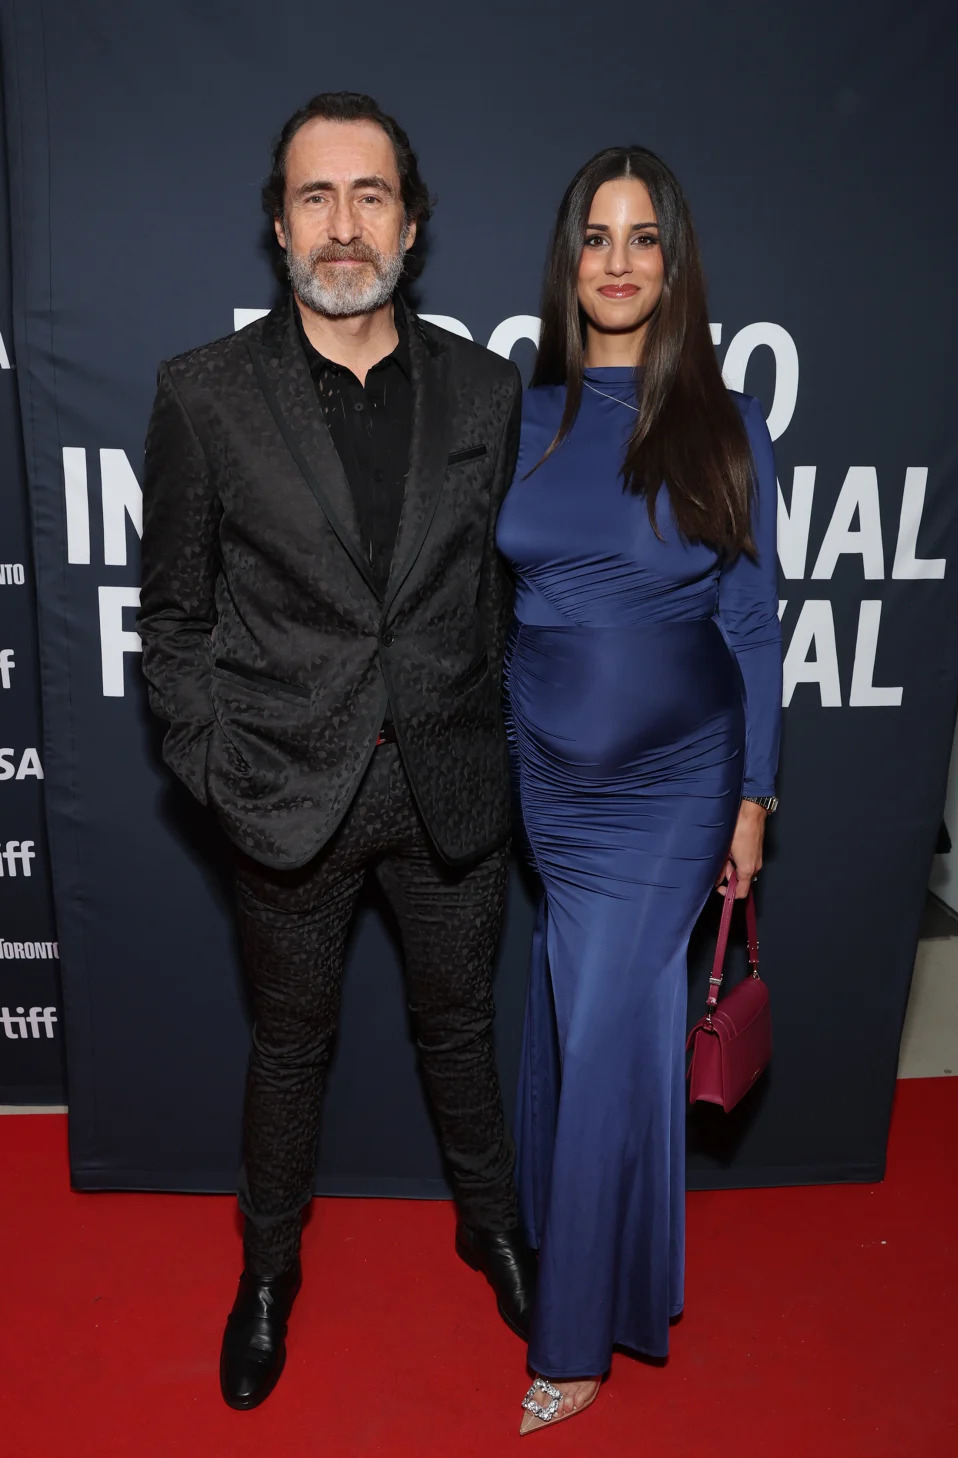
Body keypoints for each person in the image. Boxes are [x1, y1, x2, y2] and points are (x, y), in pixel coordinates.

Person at [138, 91, 535, 1412]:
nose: (344, 223)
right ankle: (266, 1272)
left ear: (411, 227)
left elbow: (496, 594)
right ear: (278, 225)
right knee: (290, 1049)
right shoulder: (202, 394)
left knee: (461, 1030)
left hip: (449, 788)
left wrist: (487, 731)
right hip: (288, 794)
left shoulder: (485, 391)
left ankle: (492, 1228)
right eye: (317, 195)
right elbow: (176, 615)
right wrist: (216, 765)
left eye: (371, 195)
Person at [496, 146, 781, 1433]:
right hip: (550, 777)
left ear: (676, 263)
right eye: (596, 236)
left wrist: (755, 800)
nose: (617, 261)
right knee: (575, 1014)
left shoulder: (724, 425)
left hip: (677, 783)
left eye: (644, 237)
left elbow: (755, 624)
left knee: (612, 1026)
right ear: (569, 260)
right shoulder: (522, 416)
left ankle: (577, 1342)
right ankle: (592, 1252)